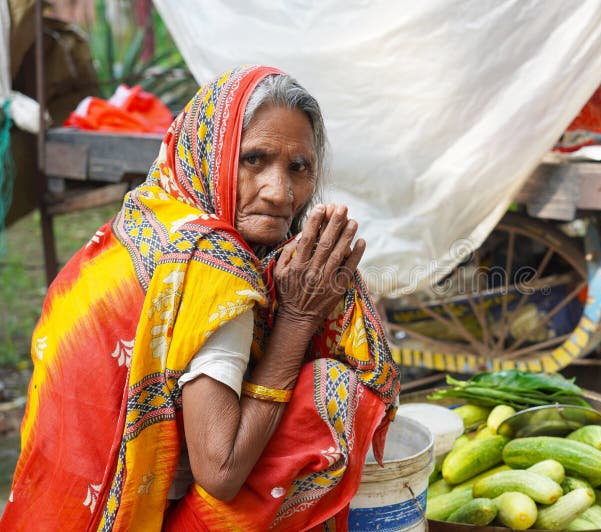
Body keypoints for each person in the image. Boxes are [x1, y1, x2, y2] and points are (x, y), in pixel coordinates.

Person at [1, 65, 400, 531]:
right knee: (333, 392)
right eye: (254, 160)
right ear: (209, 155)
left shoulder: (145, 216)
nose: (280, 192)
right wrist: (297, 319)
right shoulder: (214, 266)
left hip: (50, 508)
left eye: (299, 167)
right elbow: (222, 470)